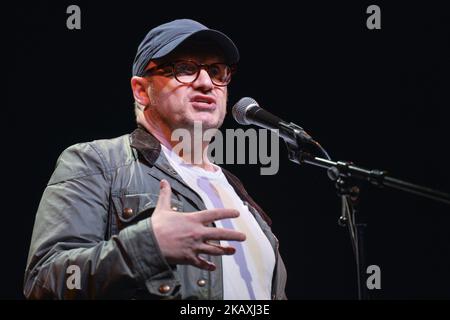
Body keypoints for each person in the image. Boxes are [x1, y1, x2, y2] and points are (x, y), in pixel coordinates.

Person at [24, 19, 287, 300]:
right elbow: (43, 282)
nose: (205, 83)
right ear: (141, 90)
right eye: (185, 68)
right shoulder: (96, 162)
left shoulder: (240, 196)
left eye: (216, 71)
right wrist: (148, 245)